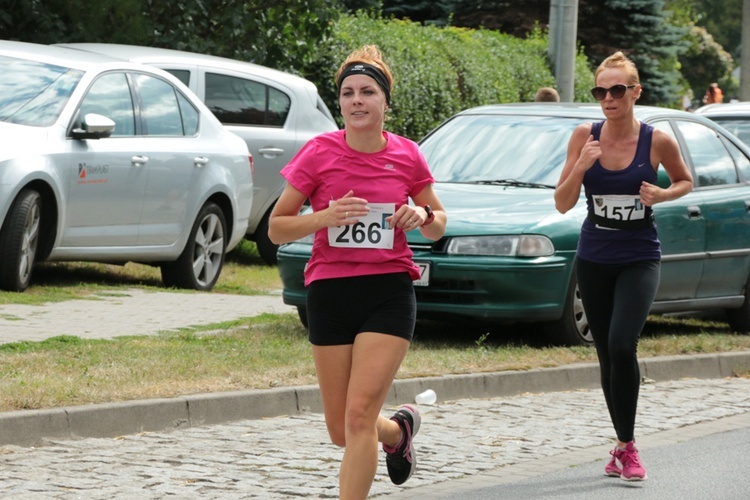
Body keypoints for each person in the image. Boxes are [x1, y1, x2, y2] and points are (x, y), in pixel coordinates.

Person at [268, 45, 447, 499]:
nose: (356, 101)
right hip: (330, 291)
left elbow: (439, 222)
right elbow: (275, 228)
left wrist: (419, 214)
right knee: (342, 430)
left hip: (388, 292)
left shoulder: (407, 155)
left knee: (359, 415)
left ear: (385, 101)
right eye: (348, 93)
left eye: (367, 91)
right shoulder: (318, 153)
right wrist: (324, 217)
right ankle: (398, 432)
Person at [553, 51, 693, 482]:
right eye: (601, 90)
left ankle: (628, 448)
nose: (608, 98)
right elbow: (561, 203)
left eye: (617, 89)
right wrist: (581, 164)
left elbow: (686, 180)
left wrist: (662, 195)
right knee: (604, 355)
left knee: (620, 344)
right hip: (594, 257)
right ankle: (621, 444)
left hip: (639, 256)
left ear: (635, 92)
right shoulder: (584, 135)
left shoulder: (657, 141)